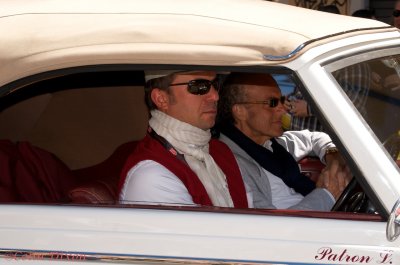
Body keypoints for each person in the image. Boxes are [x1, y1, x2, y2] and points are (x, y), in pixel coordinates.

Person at [217, 72, 352, 210]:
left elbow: (315, 138)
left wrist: (333, 158)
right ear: (240, 111)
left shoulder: (273, 146)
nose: (283, 110)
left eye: (282, 100)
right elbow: (270, 225)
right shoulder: (229, 164)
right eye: (272, 103)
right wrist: (328, 194)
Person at [118, 70, 249, 208]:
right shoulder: (150, 176)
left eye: (215, 84)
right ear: (161, 99)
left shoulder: (221, 152)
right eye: (199, 86)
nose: (215, 96)